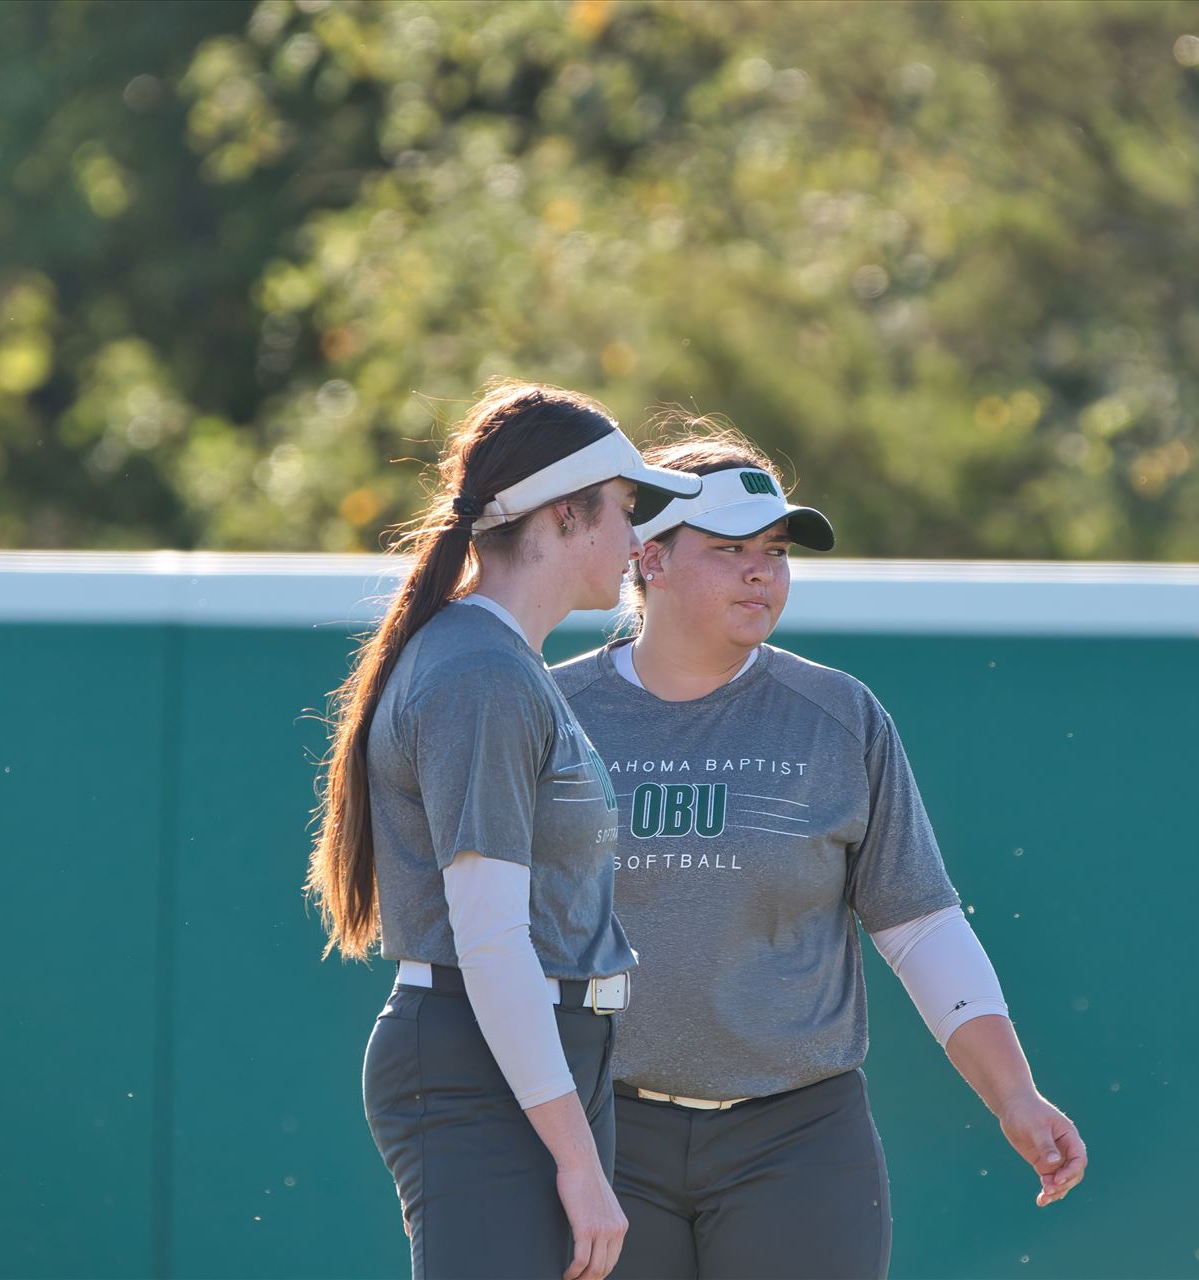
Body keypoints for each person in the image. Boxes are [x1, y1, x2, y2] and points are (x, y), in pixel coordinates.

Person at [551, 425, 1087, 1280]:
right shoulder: (551, 712)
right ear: (648, 558)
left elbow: (918, 928)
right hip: (602, 1134)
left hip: (797, 1140)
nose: (761, 571)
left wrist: (1014, 1095)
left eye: (774, 551)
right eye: (729, 550)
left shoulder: (840, 717)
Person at [306, 381, 702, 1280]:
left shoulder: (497, 663)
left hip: (531, 1061)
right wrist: (575, 1160)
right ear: (565, 516)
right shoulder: (479, 672)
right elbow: (490, 942)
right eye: (624, 510)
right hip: (481, 1065)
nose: (638, 541)